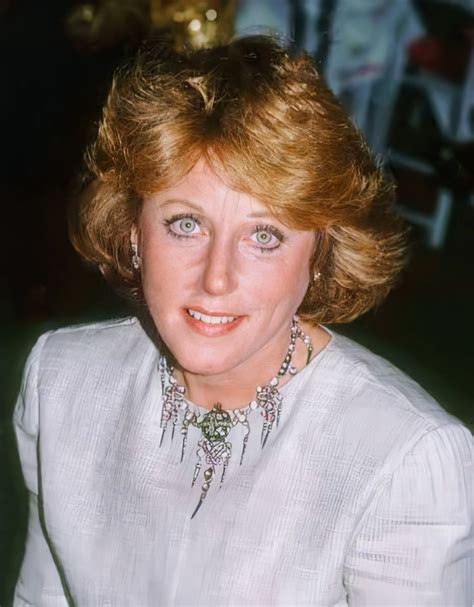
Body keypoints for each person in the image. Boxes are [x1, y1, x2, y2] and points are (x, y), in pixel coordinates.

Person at [13, 35, 472, 606]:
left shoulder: (404, 461)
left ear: (319, 257)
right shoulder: (62, 383)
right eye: (186, 224)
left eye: (264, 236)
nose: (216, 279)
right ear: (134, 234)